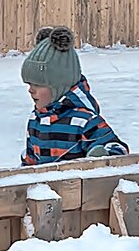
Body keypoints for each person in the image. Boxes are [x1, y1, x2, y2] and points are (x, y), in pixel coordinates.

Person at [20, 25, 129, 165]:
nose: (31, 90)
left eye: (38, 85)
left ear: (60, 86)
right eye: (29, 84)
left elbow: (117, 148)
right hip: (44, 186)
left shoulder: (83, 120)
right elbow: (31, 159)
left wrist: (103, 156)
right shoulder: (36, 120)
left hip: (77, 185)